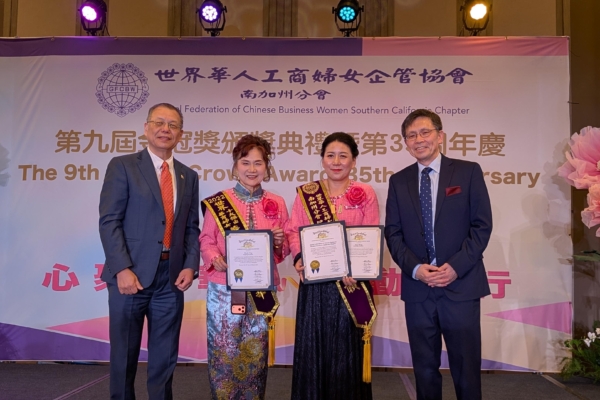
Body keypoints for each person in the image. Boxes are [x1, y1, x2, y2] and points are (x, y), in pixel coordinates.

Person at [384, 109, 492, 400]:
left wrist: (455, 267)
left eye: (425, 132)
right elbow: (393, 234)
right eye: (411, 136)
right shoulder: (399, 181)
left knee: (466, 368)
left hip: (460, 284)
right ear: (405, 143)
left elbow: (481, 226)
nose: (419, 140)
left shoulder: (468, 172)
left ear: (440, 136)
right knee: (424, 369)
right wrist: (416, 269)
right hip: (419, 289)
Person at [99, 103, 200, 400]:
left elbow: (191, 227)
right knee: (124, 356)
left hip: (171, 279)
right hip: (130, 276)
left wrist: (190, 265)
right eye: (159, 122)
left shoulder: (188, 176)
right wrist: (122, 268)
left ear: (181, 134)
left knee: (165, 358)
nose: (165, 129)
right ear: (146, 128)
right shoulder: (123, 166)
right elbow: (109, 221)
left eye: (172, 125)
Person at [286, 132, 380, 400]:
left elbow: (370, 235)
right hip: (316, 285)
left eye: (343, 156)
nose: (336, 161)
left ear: (354, 161)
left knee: (346, 353)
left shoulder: (365, 193)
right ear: (322, 159)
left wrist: (358, 270)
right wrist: (299, 257)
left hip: (351, 285)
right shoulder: (307, 194)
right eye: (330, 155)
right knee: (314, 350)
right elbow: (293, 231)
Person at [199, 134, 290, 400]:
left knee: (255, 351)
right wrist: (214, 256)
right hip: (223, 289)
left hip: (261, 289)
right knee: (224, 350)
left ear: (267, 166)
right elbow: (205, 239)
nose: (252, 169)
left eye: (258, 163)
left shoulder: (277, 203)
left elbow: (282, 250)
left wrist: (279, 242)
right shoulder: (219, 202)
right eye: (245, 162)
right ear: (235, 165)